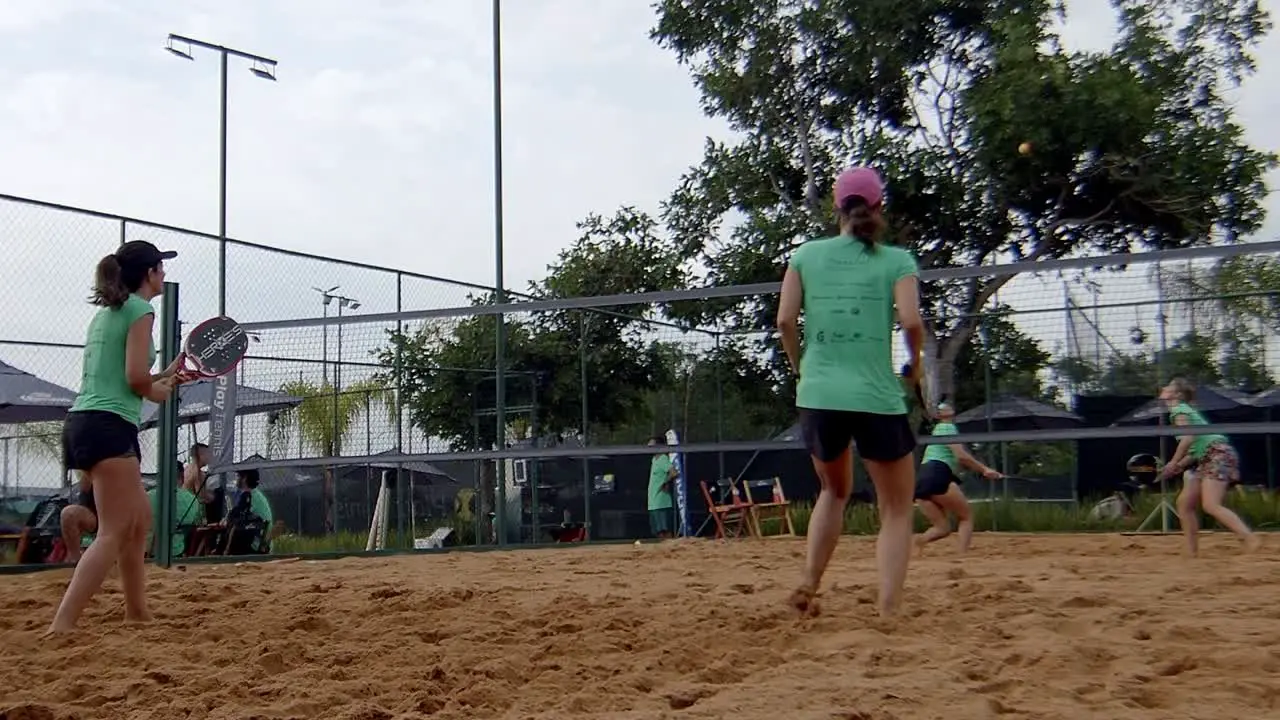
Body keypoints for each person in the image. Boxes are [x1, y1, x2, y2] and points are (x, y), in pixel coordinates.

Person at [777, 166, 924, 617]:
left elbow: (784, 321)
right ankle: (887, 608)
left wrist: (801, 369)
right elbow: (912, 322)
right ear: (879, 207)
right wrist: (914, 369)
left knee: (833, 491)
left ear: (836, 208)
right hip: (876, 395)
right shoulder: (896, 260)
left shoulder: (805, 256)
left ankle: (808, 582)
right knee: (897, 508)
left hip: (819, 394)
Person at [47, 240, 180, 634]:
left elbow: (126, 378)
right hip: (108, 425)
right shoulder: (142, 309)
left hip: (86, 422)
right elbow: (135, 380)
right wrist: (155, 389)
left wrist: (165, 375)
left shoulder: (107, 314)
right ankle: (63, 623)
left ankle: (137, 612)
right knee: (115, 530)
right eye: (161, 267)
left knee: (138, 522)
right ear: (149, 273)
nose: (164, 274)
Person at [1156, 378, 1261, 556]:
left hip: (1217, 454)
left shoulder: (1178, 410)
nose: (1164, 388)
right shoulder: (1183, 411)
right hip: (1210, 455)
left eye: (1169, 386)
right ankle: (1191, 552)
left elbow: (1188, 439)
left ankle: (1249, 538)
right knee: (1184, 503)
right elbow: (1194, 450)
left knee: (1211, 505)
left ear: (1177, 395)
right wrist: (1178, 466)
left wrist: (1173, 463)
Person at [913, 402, 1002, 553]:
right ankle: (961, 556)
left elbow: (958, 460)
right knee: (966, 516)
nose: (946, 406)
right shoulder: (947, 426)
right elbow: (961, 456)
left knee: (942, 528)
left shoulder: (936, 431)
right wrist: (984, 469)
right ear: (939, 415)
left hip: (922, 478)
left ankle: (914, 545)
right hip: (937, 473)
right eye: (941, 408)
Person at [59, 472, 98, 564]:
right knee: (69, 514)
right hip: (95, 515)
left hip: (117, 517)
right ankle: (76, 562)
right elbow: (85, 487)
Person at [646, 436, 678, 539]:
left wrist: (665, 483)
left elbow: (674, 472)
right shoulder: (654, 460)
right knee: (658, 530)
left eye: (652, 445)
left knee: (665, 529)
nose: (649, 447)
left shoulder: (663, 458)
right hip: (653, 501)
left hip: (661, 501)